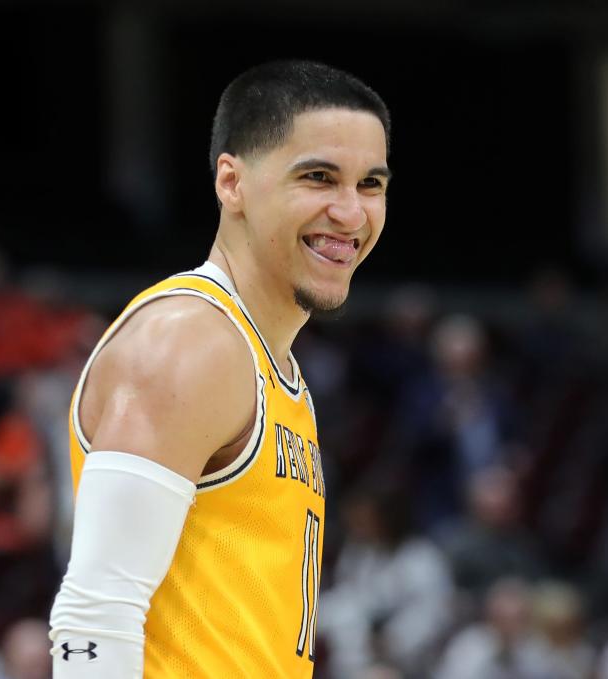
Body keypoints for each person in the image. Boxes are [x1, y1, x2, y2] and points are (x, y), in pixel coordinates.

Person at [49, 60, 391, 678]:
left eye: (370, 184)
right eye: (319, 178)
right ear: (231, 183)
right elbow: (94, 616)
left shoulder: (271, 365)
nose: (351, 212)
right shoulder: (189, 341)